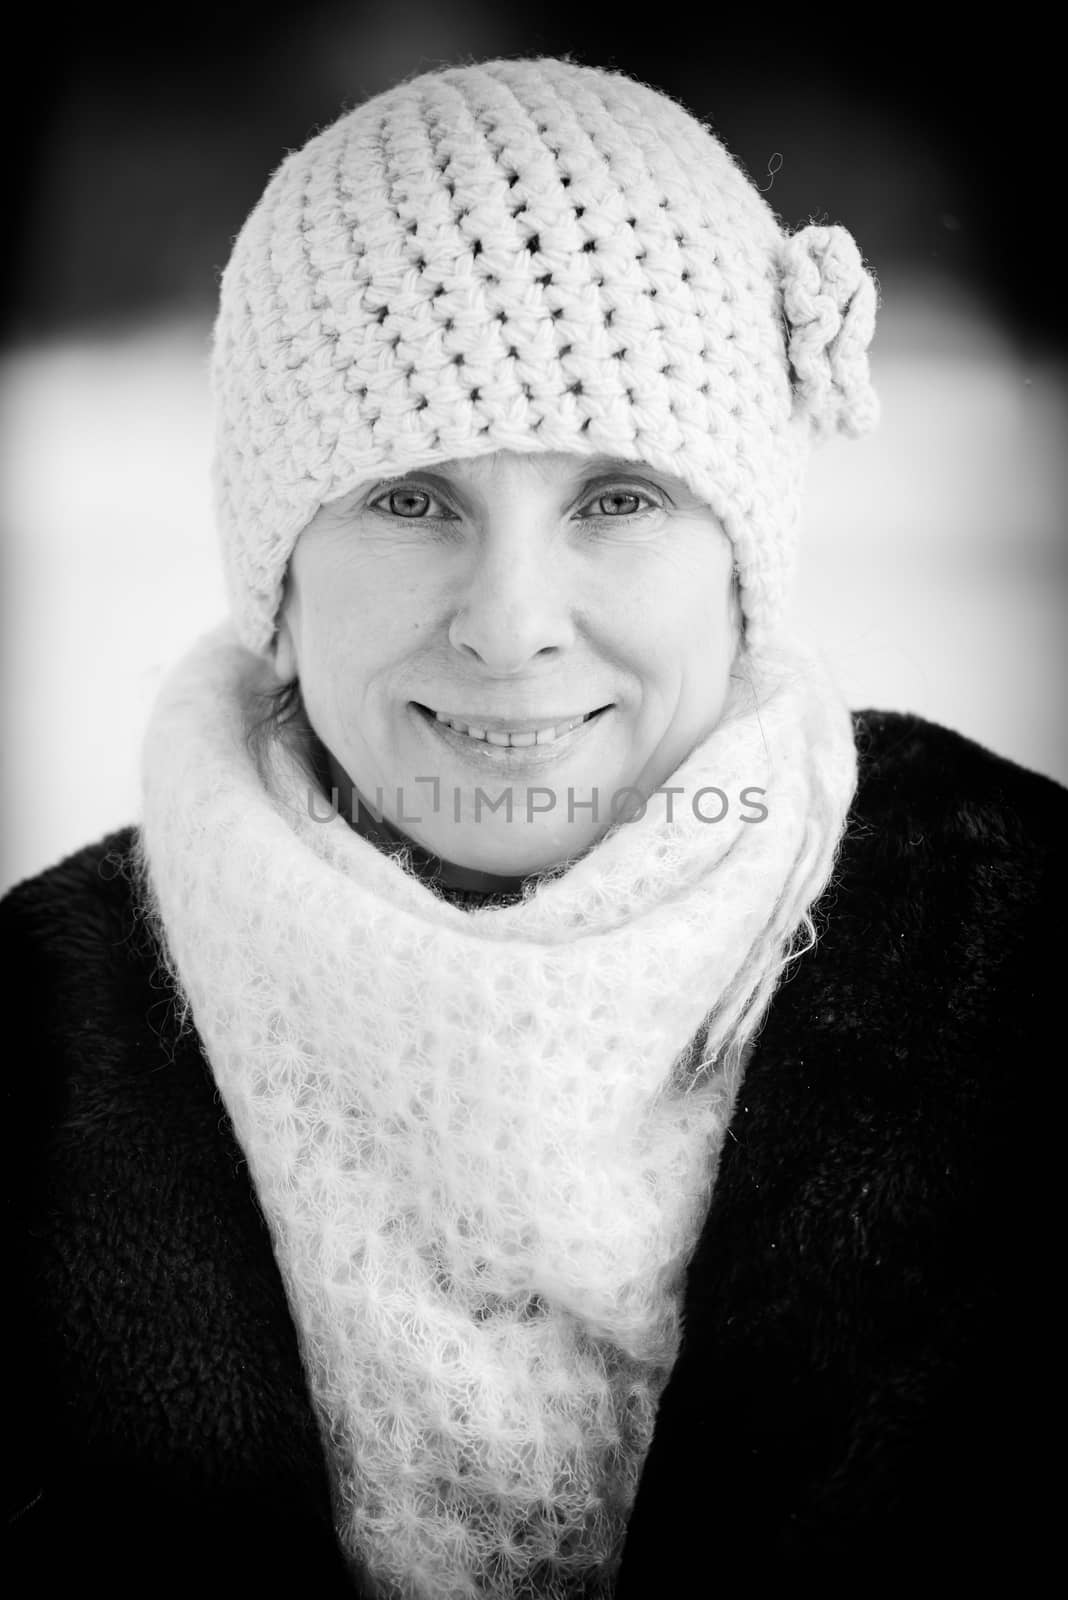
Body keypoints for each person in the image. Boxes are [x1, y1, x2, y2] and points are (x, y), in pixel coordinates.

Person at [4, 56, 1063, 1598]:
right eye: (411, 499)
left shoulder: (1016, 960)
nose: (510, 627)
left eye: (619, 498)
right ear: (277, 582)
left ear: (744, 566)